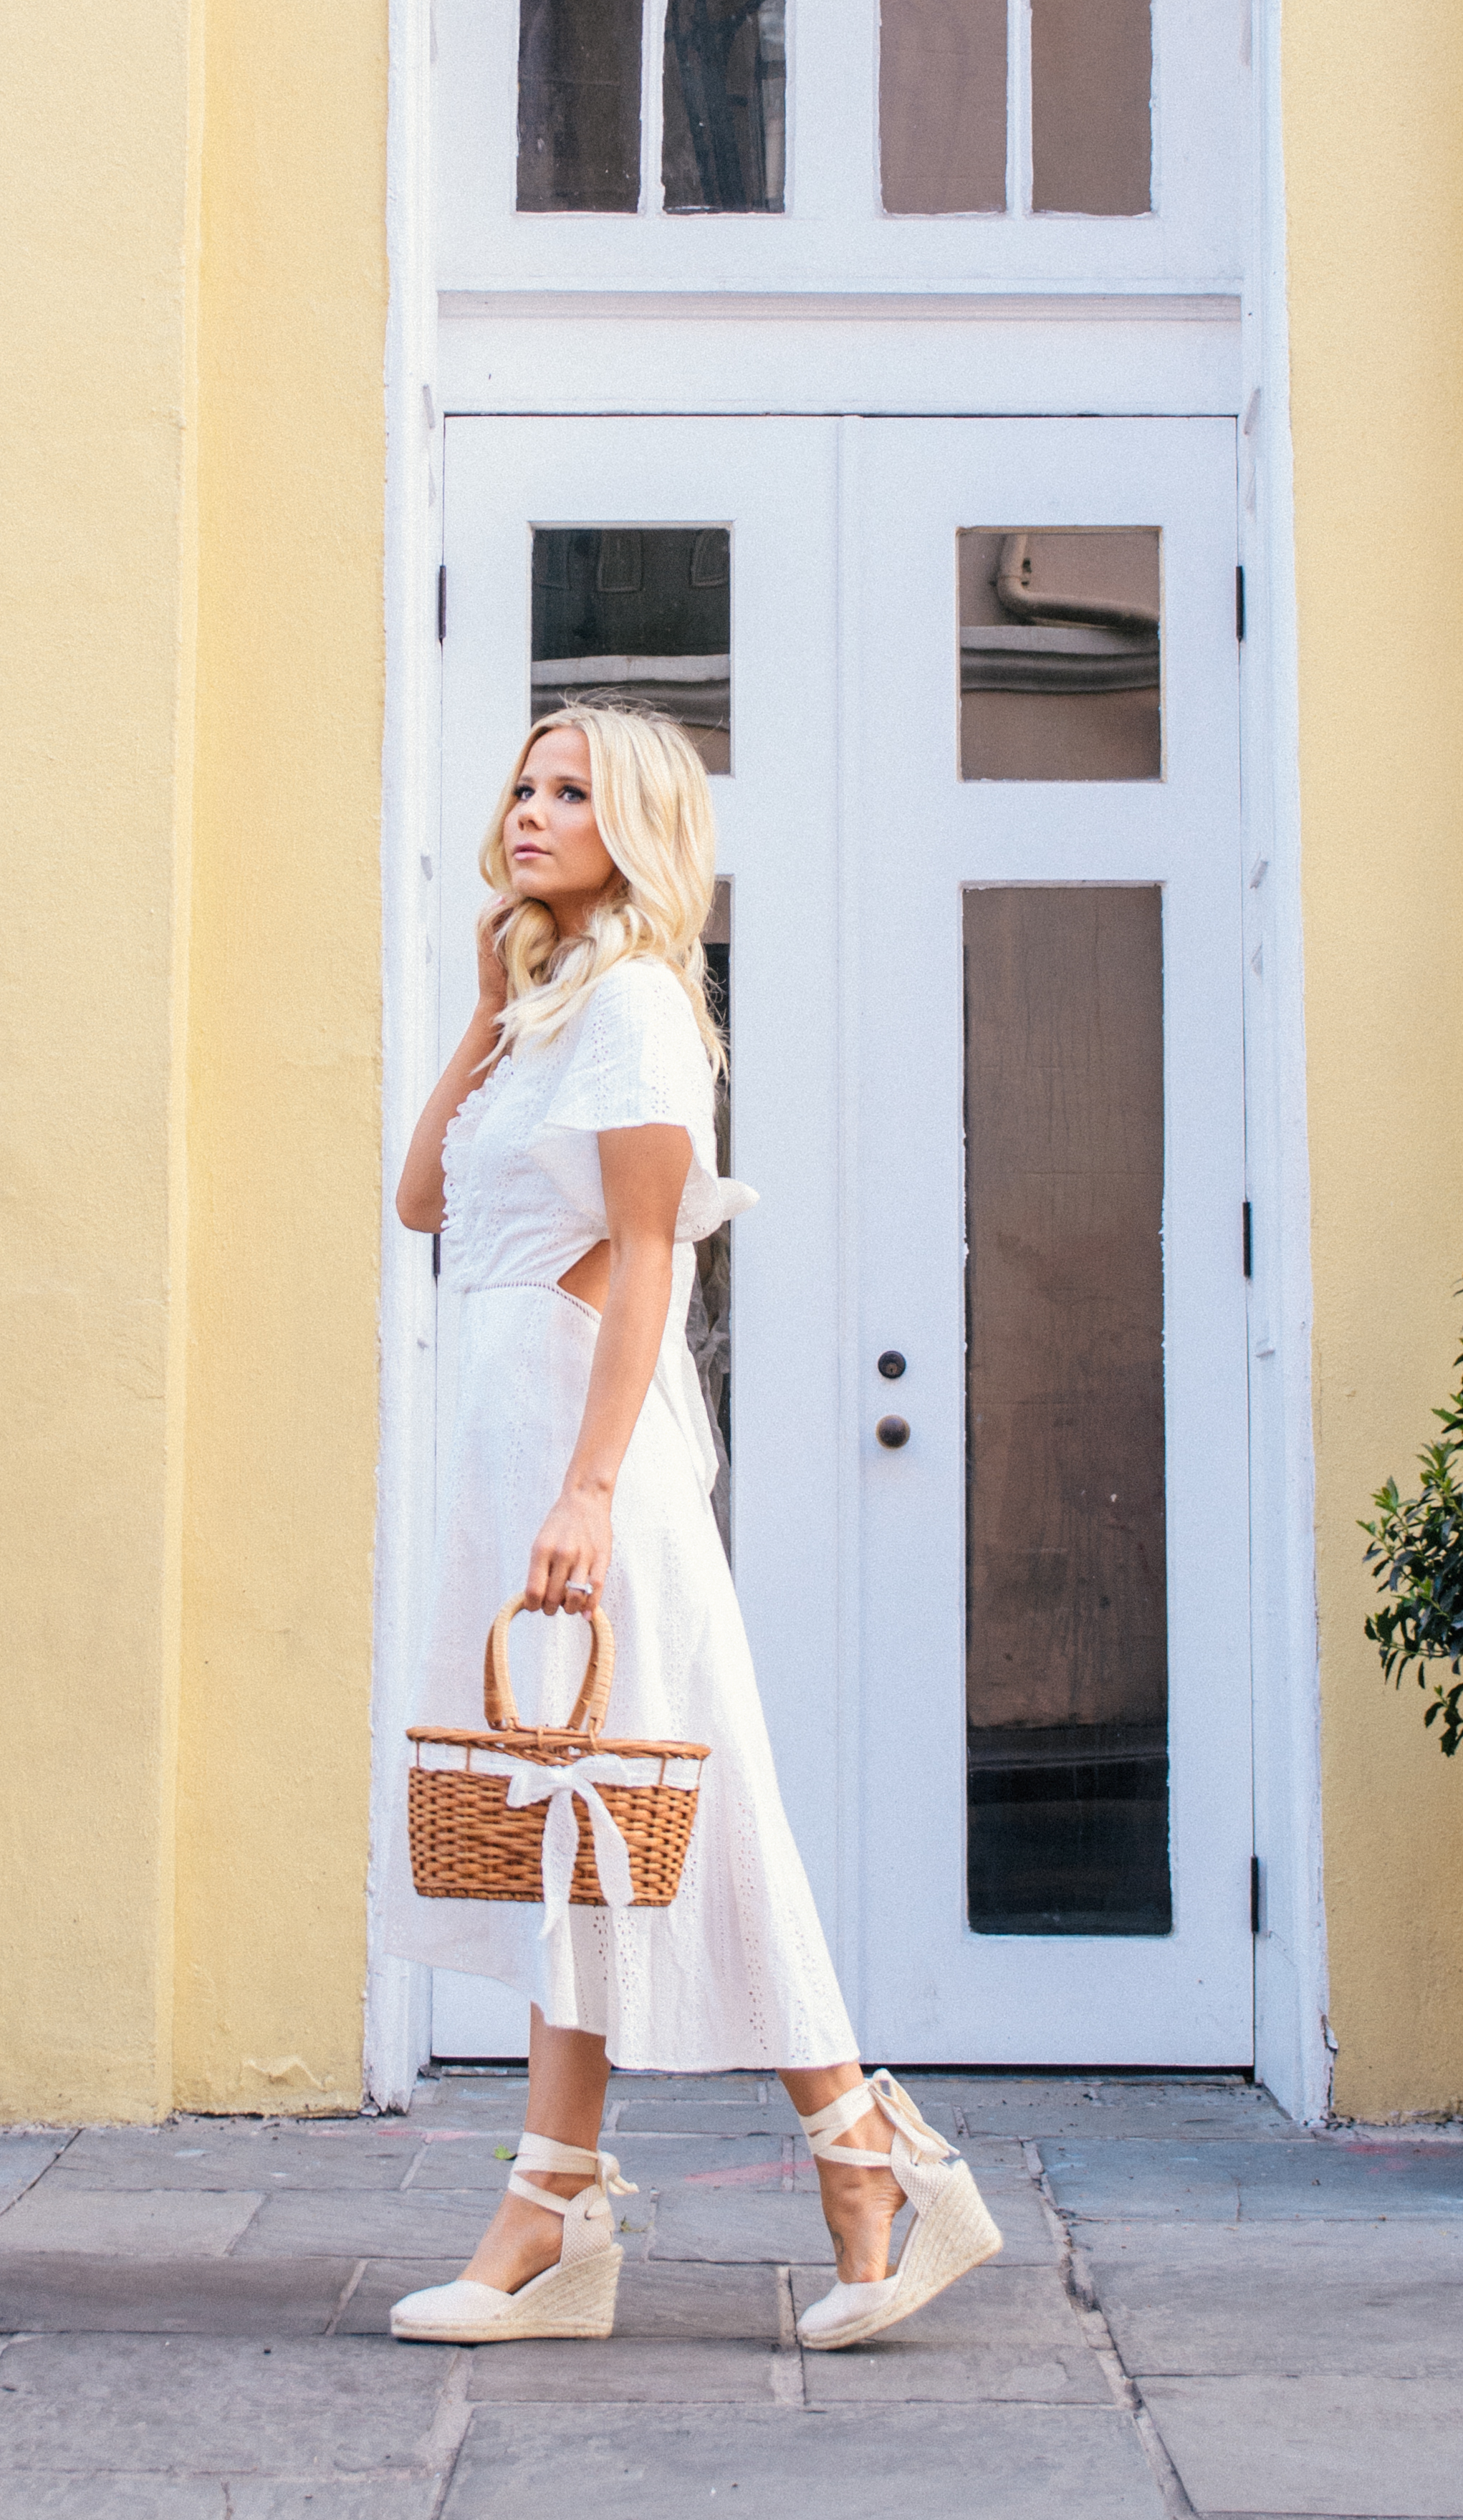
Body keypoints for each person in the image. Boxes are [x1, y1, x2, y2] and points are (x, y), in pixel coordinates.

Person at [386, 702, 1002, 2349]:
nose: (530, 808)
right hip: (509, 1442)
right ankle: (555, 2205)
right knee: (570, 1822)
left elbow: (651, 1255)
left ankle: (865, 2154)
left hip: (591, 1454)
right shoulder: (550, 1006)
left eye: (571, 790)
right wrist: (479, 1007)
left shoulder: (645, 1005)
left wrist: (587, 1485)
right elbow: (422, 1197)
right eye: (522, 782)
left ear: (637, 824)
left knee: (676, 1795)